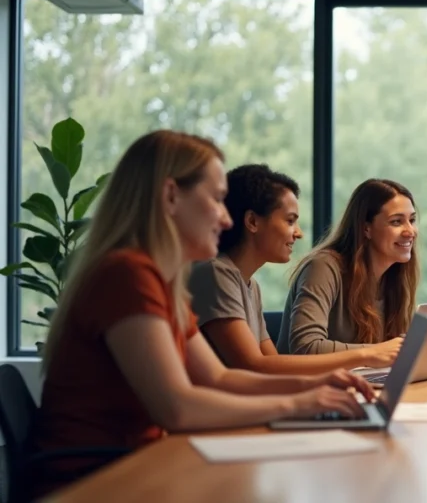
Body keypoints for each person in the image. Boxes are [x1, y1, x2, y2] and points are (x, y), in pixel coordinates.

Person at [26, 131, 374, 500]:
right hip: (96, 483)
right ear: (171, 195)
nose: (226, 219)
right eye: (218, 200)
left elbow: (220, 377)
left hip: (141, 465)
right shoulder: (126, 275)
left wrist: (316, 386)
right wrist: (299, 404)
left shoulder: (163, 279)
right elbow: (178, 408)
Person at [189, 164, 371, 372]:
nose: (298, 233)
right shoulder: (215, 273)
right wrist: (366, 355)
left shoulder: (250, 285)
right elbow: (255, 365)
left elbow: (271, 363)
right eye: (290, 221)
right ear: (252, 221)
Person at [276, 179, 418, 363]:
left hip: (354, 385)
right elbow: (305, 346)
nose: (410, 231)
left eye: (412, 220)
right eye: (397, 222)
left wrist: (419, 357)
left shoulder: (394, 278)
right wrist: (376, 352)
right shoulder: (323, 267)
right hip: (304, 389)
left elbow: (392, 352)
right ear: (366, 228)